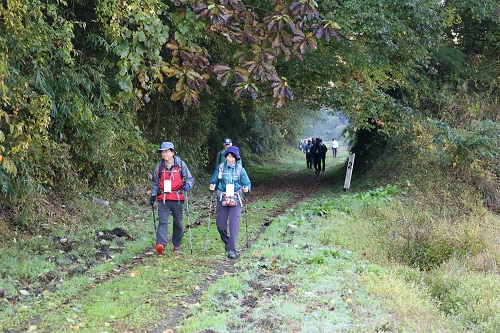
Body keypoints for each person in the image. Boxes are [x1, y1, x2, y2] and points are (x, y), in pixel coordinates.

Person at [149, 142, 194, 255]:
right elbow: (155, 182)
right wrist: (153, 195)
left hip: (177, 197)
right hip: (163, 197)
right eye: (163, 152)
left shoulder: (180, 165)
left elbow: (189, 178)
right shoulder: (159, 166)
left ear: (172, 152)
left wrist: (188, 185)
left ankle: (176, 245)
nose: (165, 154)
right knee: (162, 222)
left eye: (167, 152)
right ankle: (161, 245)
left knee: (178, 223)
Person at [209, 146, 251, 259]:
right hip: (222, 198)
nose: (230, 159)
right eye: (228, 156)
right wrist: (212, 186)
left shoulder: (240, 170)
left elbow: (247, 183)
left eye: (232, 157)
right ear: (225, 156)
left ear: (236, 158)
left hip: (236, 199)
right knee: (220, 225)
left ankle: (232, 250)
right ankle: (227, 241)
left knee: (233, 225)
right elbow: (214, 181)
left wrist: (247, 189)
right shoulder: (221, 168)